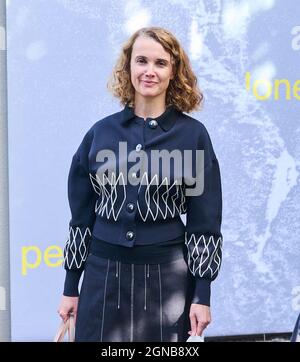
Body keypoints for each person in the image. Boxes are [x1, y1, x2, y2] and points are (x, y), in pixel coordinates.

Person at [57, 26, 223, 342]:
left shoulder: (193, 137)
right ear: (128, 66)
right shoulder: (100, 134)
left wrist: (202, 294)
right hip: (102, 275)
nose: (149, 71)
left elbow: (205, 221)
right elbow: (81, 219)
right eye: (141, 61)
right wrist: (70, 288)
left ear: (174, 71)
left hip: (167, 280)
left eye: (160, 63)